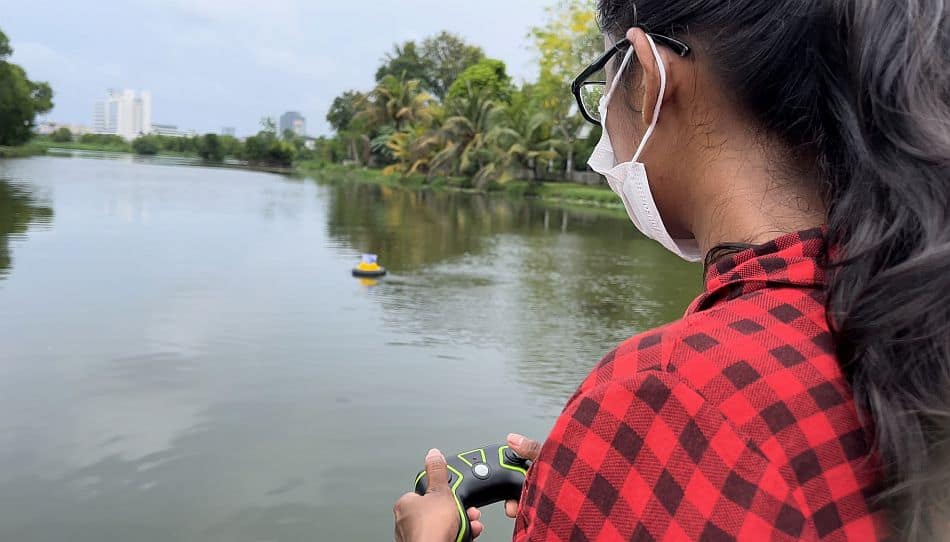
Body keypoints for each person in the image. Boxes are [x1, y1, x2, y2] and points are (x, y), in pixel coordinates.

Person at [394, 0, 950, 540]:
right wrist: (599, 476)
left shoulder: (667, 390)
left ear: (651, 75)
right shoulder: (908, 313)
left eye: (601, 87)